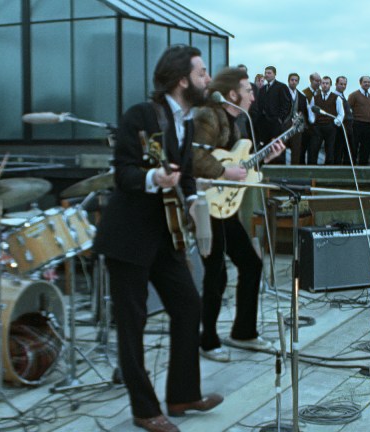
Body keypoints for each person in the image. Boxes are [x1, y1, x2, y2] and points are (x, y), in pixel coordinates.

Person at [92, 45, 222, 432]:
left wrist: (195, 199)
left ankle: (182, 394)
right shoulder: (142, 115)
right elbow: (123, 173)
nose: (207, 79)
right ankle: (144, 409)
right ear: (183, 79)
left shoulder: (185, 121)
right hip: (128, 237)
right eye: (202, 73)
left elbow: (186, 173)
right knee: (132, 327)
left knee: (188, 306)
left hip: (165, 235)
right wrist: (153, 178)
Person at [191, 67, 284, 363]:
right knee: (215, 272)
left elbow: (240, 166)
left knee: (250, 263)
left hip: (223, 207)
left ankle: (243, 332)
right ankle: (207, 340)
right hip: (204, 204)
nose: (253, 96)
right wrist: (223, 171)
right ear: (233, 94)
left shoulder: (239, 125)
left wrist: (263, 158)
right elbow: (195, 157)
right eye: (248, 90)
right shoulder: (208, 115)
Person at [255, 66, 290, 164]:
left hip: (276, 123)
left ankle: (279, 172)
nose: (267, 75)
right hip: (264, 124)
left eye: (269, 73)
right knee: (265, 148)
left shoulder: (281, 87)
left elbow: (287, 104)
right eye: (266, 73)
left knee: (278, 147)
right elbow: (259, 105)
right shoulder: (262, 89)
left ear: (275, 74)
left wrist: (280, 119)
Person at [347, 76, 370, 165]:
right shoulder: (354, 95)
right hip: (357, 124)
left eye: (368, 82)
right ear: (361, 83)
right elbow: (348, 108)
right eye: (365, 82)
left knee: (366, 147)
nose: (367, 84)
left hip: (368, 125)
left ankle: (363, 166)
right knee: (354, 146)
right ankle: (352, 166)